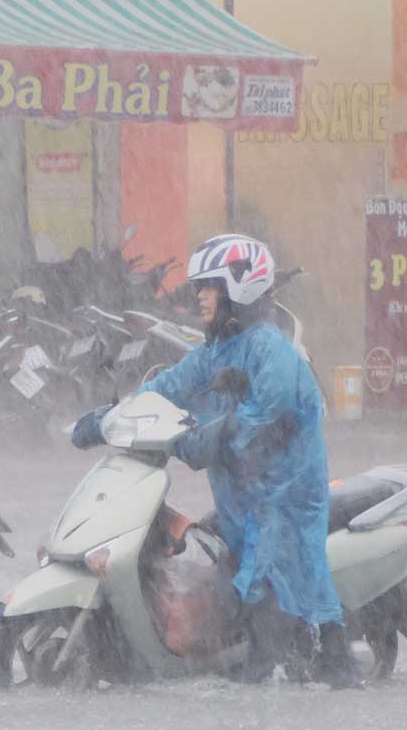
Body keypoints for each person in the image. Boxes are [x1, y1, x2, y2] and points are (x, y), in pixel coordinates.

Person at [71, 234, 358, 688]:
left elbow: (255, 424)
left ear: (239, 290)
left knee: (270, 642)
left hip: (282, 509)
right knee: (208, 565)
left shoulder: (272, 352)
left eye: (209, 286)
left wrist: (205, 439)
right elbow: (167, 387)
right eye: (198, 286)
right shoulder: (215, 352)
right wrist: (109, 418)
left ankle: (335, 676)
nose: (199, 296)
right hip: (243, 508)